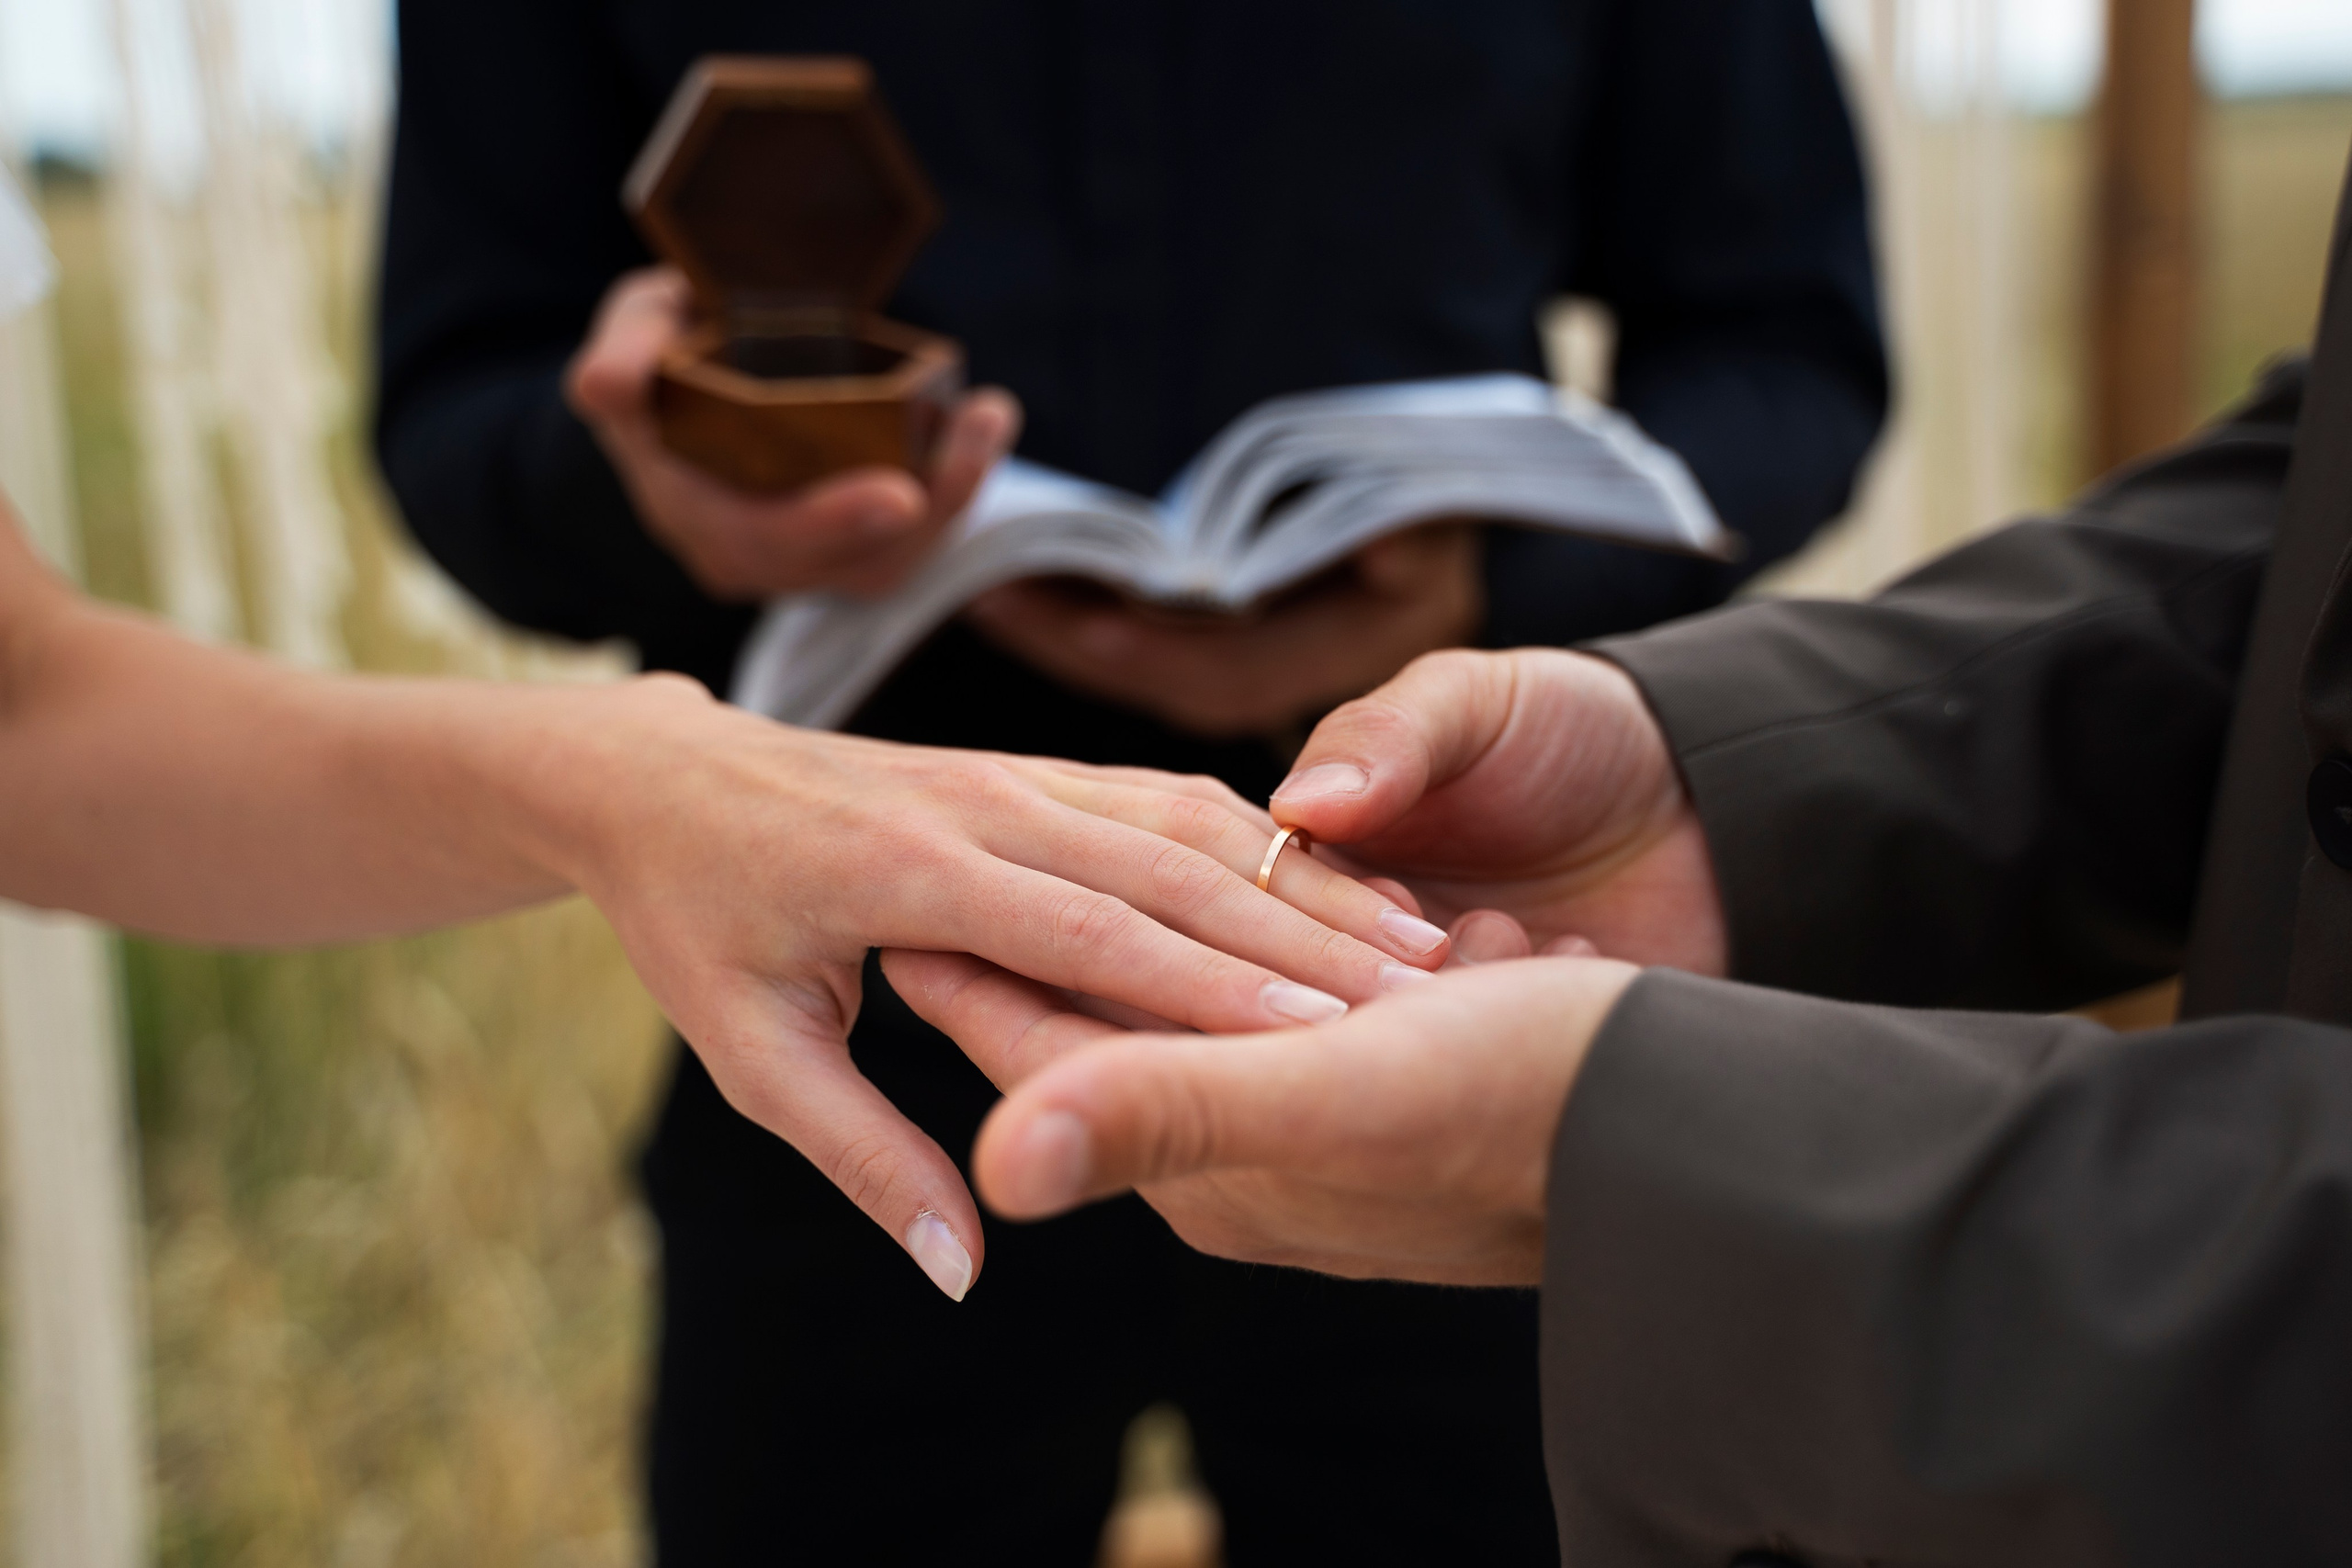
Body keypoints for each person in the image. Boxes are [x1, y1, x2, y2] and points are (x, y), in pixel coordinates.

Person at [377, 2, 1887, 1556]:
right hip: (854, 1044)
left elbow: (1785, 345)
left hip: (1430, 987)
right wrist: (653, 484)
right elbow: (459, 404)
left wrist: (1497, 586)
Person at [899, 163, 2352, 1563]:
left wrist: (1641, 1123)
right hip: (1004, 1040)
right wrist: (1709, 770)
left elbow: (1785, 347)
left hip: (1483, 1076)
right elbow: (2311, 513)